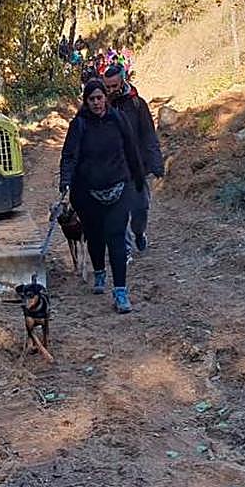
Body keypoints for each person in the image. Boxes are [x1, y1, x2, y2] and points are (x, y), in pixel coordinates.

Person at [59, 79, 146, 313]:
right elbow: (69, 155)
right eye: (92, 99)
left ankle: (120, 291)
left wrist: (138, 180)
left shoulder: (118, 120)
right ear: (86, 101)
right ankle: (99, 271)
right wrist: (65, 182)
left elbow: (131, 149)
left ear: (105, 98)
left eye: (100, 97)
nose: (96, 103)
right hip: (87, 192)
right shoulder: (79, 125)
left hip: (119, 187)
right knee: (95, 237)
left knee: (116, 237)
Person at [102, 64, 164, 253]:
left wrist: (156, 163)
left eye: (114, 86)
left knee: (140, 208)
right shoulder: (101, 106)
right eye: (108, 87)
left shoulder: (138, 104)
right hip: (113, 168)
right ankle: (124, 248)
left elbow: (148, 135)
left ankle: (139, 233)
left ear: (122, 81)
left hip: (137, 166)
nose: (111, 90)